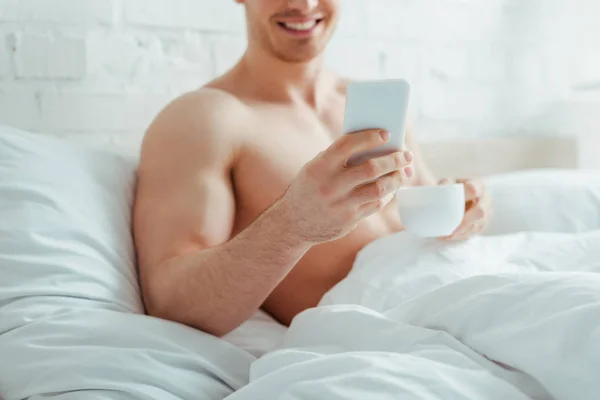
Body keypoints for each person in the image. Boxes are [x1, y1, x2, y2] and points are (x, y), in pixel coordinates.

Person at [132, 0, 493, 337]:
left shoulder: (372, 101)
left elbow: (430, 216)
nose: (304, 5)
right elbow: (171, 303)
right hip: (393, 329)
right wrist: (294, 225)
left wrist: (467, 209)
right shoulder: (206, 119)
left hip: (467, 291)